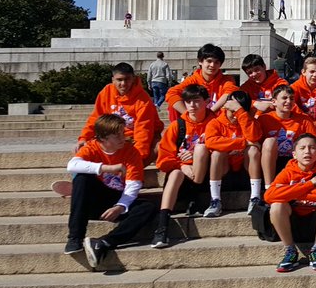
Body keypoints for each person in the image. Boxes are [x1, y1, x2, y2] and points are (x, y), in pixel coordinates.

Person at [65, 114, 156, 270]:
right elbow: (72, 165)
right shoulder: (92, 147)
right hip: (97, 199)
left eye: (123, 132)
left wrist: (120, 206)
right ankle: (75, 237)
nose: (123, 137)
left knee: (148, 208)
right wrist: (106, 168)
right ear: (103, 139)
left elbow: (133, 185)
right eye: (117, 135)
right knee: (81, 178)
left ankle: (105, 242)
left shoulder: (130, 151)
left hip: (117, 199)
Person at [264, 133, 316, 273]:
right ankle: (290, 250)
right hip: (293, 222)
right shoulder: (287, 172)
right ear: (294, 154)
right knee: (276, 205)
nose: (307, 151)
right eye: (302, 148)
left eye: (312, 148)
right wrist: (311, 184)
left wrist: (289, 192)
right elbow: (269, 196)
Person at [151, 84, 216, 248]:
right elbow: (163, 159)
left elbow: (224, 148)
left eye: (196, 101)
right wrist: (181, 165)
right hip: (181, 177)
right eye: (188, 102)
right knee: (174, 174)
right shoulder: (177, 126)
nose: (192, 106)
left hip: (205, 175)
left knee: (201, 149)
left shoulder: (215, 122)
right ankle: (162, 226)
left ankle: (198, 196)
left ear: (207, 101)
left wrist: (195, 157)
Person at [77, 62, 163, 165]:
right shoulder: (106, 92)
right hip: (113, 137)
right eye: (119, 80)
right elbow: (96, 118)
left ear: (133, 79)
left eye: (127, 79)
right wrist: (84, 138)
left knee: (159, 146)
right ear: (113, 79)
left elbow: (144, 129)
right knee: (85, 150)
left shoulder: (143, 99)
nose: (123, 84)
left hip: (134, 140)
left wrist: (137, 156)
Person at [202, 90, 264, 217]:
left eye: (239, 111)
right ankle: (215, 200)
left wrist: (241, 113)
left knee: (253, 150)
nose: (235, 116)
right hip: (224, 169)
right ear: (225, 107)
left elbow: (254, 137)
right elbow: (211, 142)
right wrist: (243, 143)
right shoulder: (215, 123)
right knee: (216, 153)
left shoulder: (248, 121)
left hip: (246, 168)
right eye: (232, 111)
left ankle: (255, 198)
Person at [258, 84, 316, 185]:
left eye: (291, 98)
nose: (289, 101)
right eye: (284, 98)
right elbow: (256, 142)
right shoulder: (263, 119)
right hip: (271, 161)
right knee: (269, 142)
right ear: (274, 102)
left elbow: (315, 145)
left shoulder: (304, 120)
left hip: (295, 162)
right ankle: (269, 188)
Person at [166, 44, 237, 119]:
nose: (212, 65)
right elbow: (171, 93)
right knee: (173, 105)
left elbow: (230, 92)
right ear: (200, 61)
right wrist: (188, 116)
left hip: (217, 122)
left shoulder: (227, 79)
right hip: (195, 120)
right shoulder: (192, 80)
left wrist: (210, 113)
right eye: (209, 61)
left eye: (216, 62)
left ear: (220, 64)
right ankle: (178, 129)